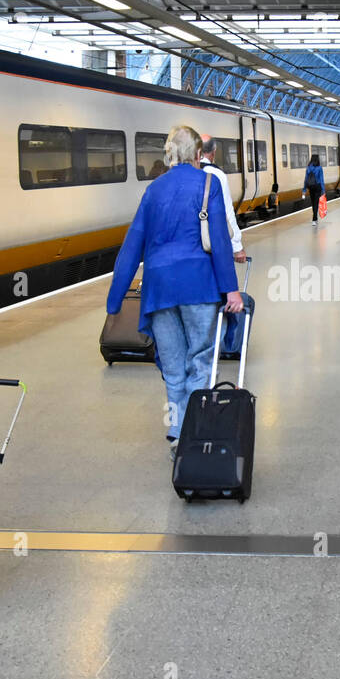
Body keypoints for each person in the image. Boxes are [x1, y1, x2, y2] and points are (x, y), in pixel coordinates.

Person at [106, 125, 243, 458]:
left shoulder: (153, 190)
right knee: (200, 360)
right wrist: (232, 290)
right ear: (198, 154)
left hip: (159, 289)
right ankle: (193, 433)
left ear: (169, 155)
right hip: (198, 286)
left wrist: (115, 300)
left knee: (173, 366)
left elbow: (132, 244)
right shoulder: (207, 183)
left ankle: (178, 433)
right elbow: (220, 241)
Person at [198, 134, 248, 263]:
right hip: (212, 240)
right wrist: (237, 247)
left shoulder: (185, 173)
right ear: (213, 152)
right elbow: (227, 211)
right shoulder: (216, 174)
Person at [303, 153, 325, 225]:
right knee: (316, 203)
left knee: (313, 203)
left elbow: (306, 179)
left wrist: (304, 189)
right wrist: (323, 190)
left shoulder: (308, 167)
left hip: (311, 187)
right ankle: (314, 219)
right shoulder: (319, 168)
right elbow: (321, 180)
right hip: (317, 187)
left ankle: (315, 219)